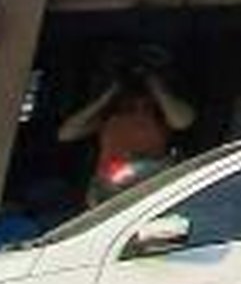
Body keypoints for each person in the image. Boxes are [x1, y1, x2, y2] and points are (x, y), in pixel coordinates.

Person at [58, 49, 198, 201]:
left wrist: (155, 85)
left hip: (150, 182)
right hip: (109, 186)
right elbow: (66, 134)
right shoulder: (109, 114)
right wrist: (107, 95)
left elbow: (182, 122)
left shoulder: (163, 111)